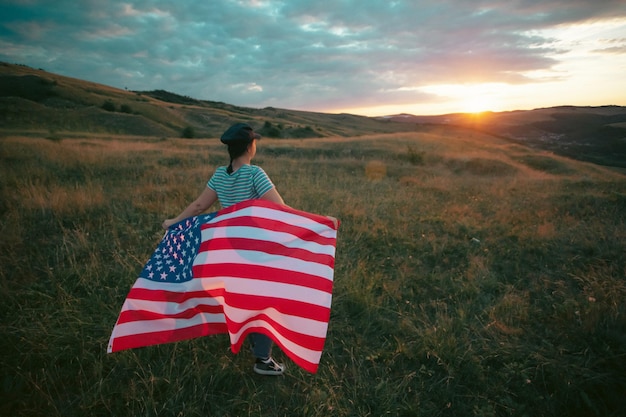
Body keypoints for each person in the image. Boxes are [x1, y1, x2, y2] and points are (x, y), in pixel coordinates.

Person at [162, 122, 286, 376]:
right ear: (250, 146)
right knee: (264, 299)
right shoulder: (255, 174)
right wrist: (314, 223)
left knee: (239, 295)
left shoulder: (220, 174)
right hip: (253, 249)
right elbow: (280, 208)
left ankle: (244, 337)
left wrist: (174, 222)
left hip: (228, 250)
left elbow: (198, 206)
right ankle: (263, 359)